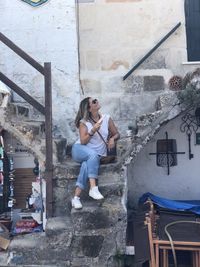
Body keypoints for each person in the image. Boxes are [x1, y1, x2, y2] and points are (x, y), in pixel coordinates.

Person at [71, 97, 120, 209]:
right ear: (89, 108)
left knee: (85, 166)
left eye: (96, 100)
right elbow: (83, 141)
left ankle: (76, 198)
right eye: (93, 101)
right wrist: (92, 130)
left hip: (95, 156)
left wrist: (112, 139)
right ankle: (93, 188)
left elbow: (117, 134)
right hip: (79, 150)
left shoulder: (106, 118)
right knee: (92, 155)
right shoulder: (84, 122)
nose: (97, 101)